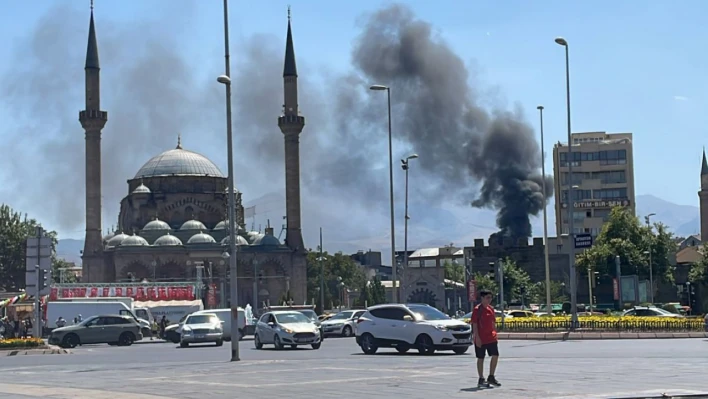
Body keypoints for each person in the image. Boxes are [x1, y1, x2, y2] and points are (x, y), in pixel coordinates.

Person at [471, 289, 500, 388]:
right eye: (487, 298)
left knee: (495, 355)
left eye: (490, 298)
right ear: (482, 298)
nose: (489, 300)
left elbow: (493, 322)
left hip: (491, 337)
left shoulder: (491, 309)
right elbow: (474, 324)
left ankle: (491, 376)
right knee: (481, 358)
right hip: (481, 338)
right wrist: (477, 337)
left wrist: (495, 332)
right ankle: (481, 378)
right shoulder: (477, 309)